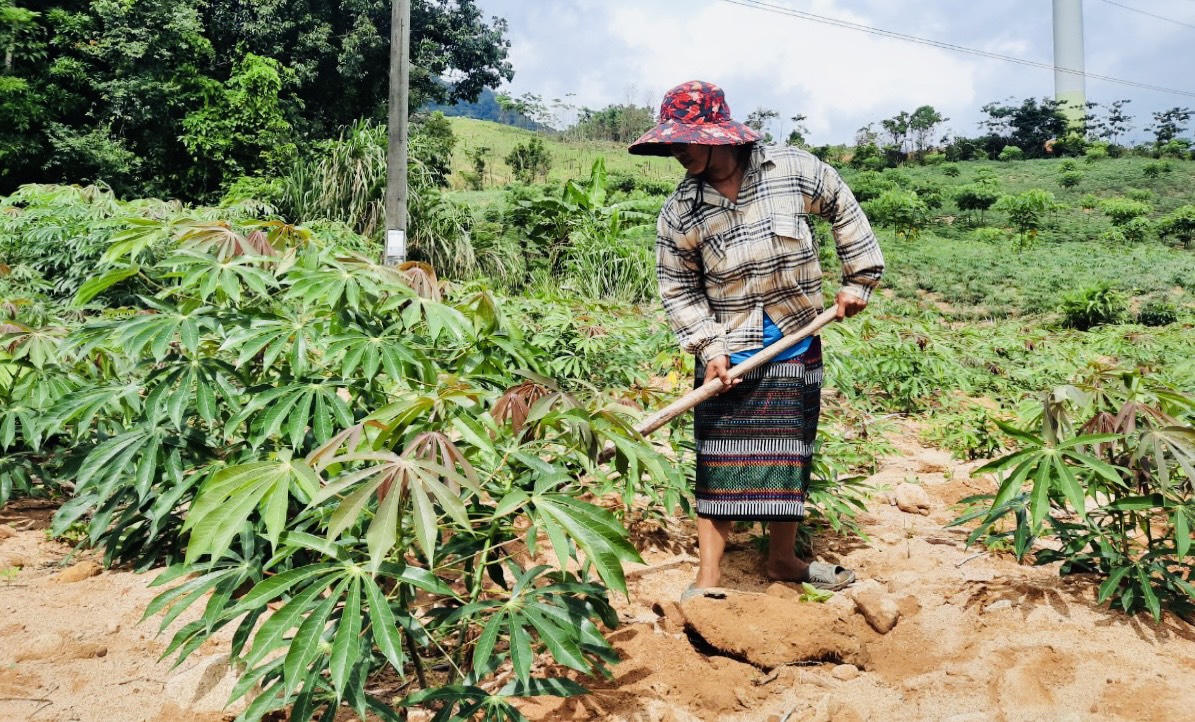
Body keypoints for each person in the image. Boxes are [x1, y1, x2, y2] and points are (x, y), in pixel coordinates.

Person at [628, 81, 885, 598]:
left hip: (795, 333)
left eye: (683, 142)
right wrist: (710, 348)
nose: (676, 152)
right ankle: (708, 577)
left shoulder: (793, 170)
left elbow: (843, 208)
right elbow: (677, 284)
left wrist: (858, 281)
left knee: (788, 453)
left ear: (718, 137)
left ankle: (783, 560)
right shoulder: (681, 210)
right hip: (727, 346)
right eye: (671, 143)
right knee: (719, 459)